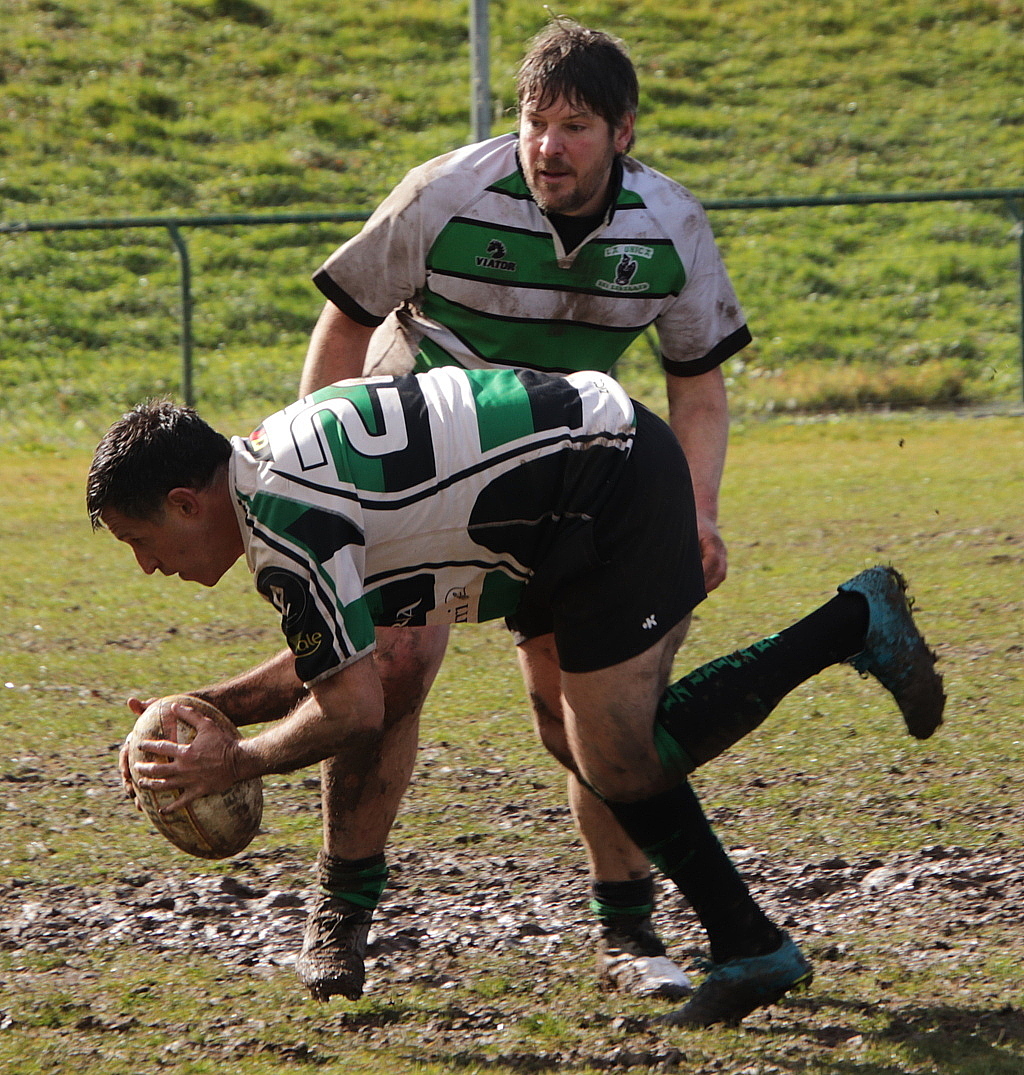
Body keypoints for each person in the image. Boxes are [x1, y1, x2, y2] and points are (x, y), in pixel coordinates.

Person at [89, 368, 944, 1026]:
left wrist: (236, 758)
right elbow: (346, 666)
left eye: (141, 540)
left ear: (184, 502)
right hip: (551, 509)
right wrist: (205, 706)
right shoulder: (270, 472)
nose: (146, 565)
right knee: (603, 747)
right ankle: (751, 944)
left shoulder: (282, 523)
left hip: (604, 482)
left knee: (616, 749)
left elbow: (353, 707)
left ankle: (850, 623)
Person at [295, 18, 752, 1001]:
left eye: (575, 124)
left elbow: (699, 386)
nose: (547, 144)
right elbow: (347, 317)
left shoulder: (668, 227)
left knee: (581, 706)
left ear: (622, 132)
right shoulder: (448, 190)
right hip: (418, 456)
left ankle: (629, 932)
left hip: (567, 477)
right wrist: (318, 473)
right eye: (534, 120)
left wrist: (700, 513)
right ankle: (341, 914)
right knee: (396, 667)